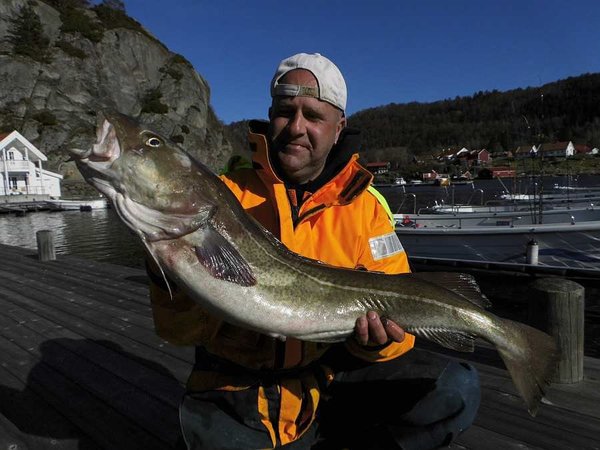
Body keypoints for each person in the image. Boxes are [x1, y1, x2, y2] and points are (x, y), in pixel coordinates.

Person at [147, 52, 480, 449]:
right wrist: (168, 271)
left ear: (339, 128)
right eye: (286, 111)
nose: (297, 128)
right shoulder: (224, 196)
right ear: (270, 115)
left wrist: (375, 343)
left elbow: (401, 323)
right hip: (234, 389)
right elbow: (177, 331)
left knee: (455, 387)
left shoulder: (366, 208)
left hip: (329, 379)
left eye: (314, 117)